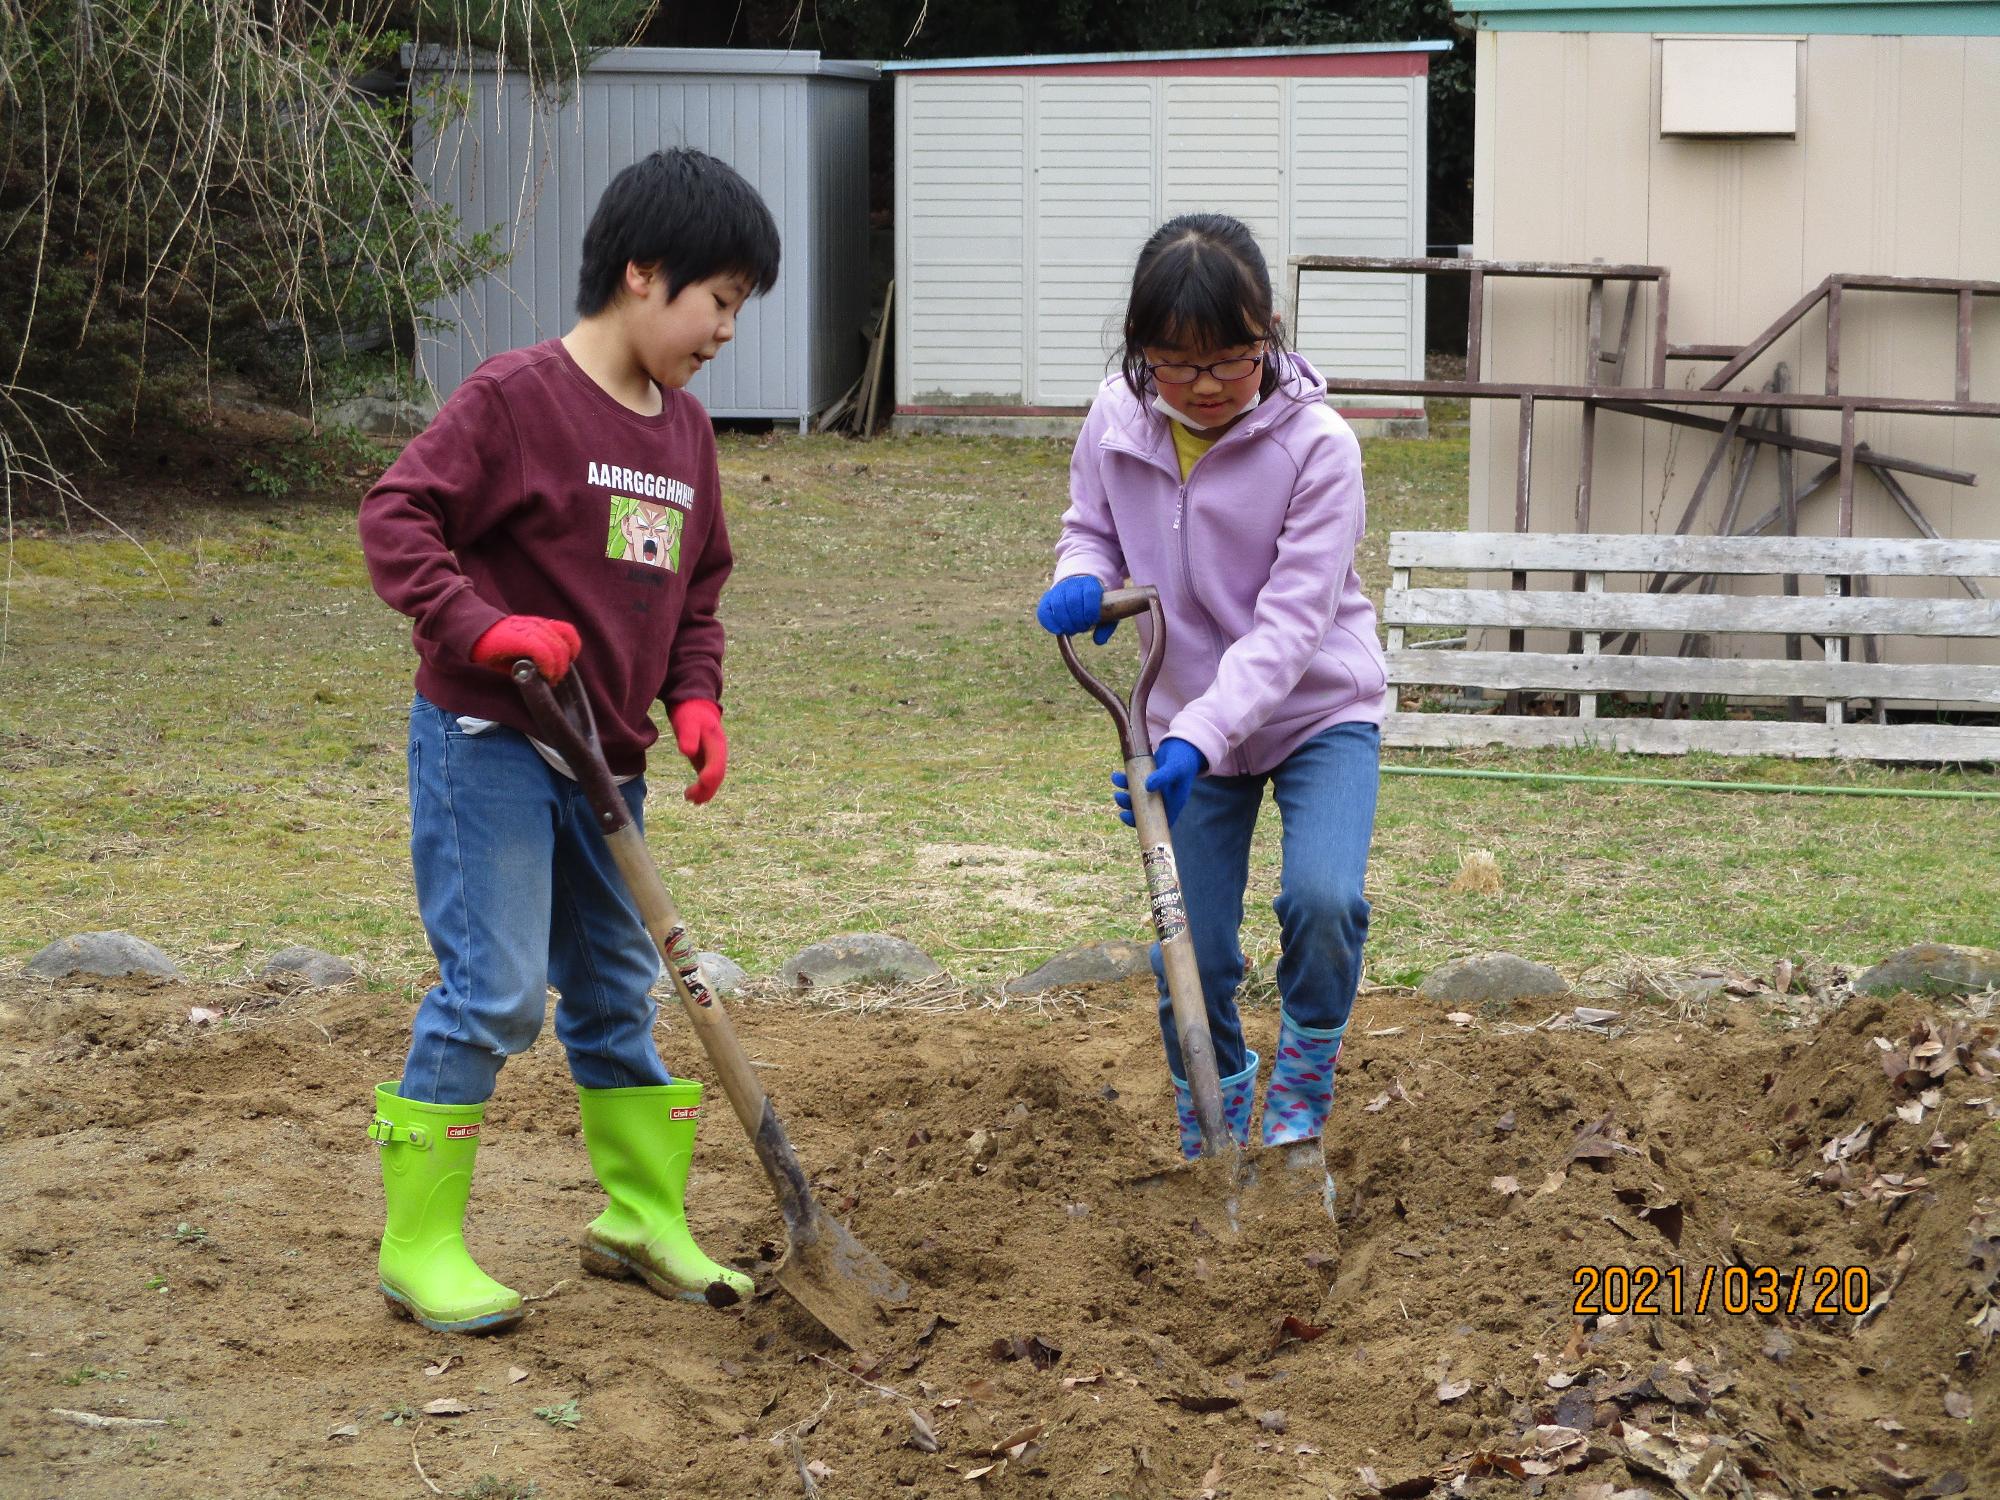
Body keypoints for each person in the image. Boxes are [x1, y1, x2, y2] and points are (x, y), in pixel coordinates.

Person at [355, 147, 779, 1333]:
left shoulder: (686, 434)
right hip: (487, 742)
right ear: (644, 275)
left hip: (609, 763)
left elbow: (696, 590)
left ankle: (641, 1216)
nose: (727, 331)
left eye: (738, 309)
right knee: (494, 991)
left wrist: (695, 696)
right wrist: (481, 629)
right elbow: (396, 516)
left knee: (609, 992)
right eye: (721, 302)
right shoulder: (513, 398)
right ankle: (420, 1241)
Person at [1035, 212, 1387, 1162]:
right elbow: (1092, 526)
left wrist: (1198, 736)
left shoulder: (1318, 448)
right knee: (1190, 944)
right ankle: (1214, 1121)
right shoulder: (1115, 416)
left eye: (1230, 359)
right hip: (1184, 711)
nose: (1202, 387)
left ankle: (1299, 1102)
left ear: (1268, 331)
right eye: (1175, 363)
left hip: (1316, 710)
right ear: (1140, 352)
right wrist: (1084, 577)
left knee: (1323, 902)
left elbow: (1289, 628)